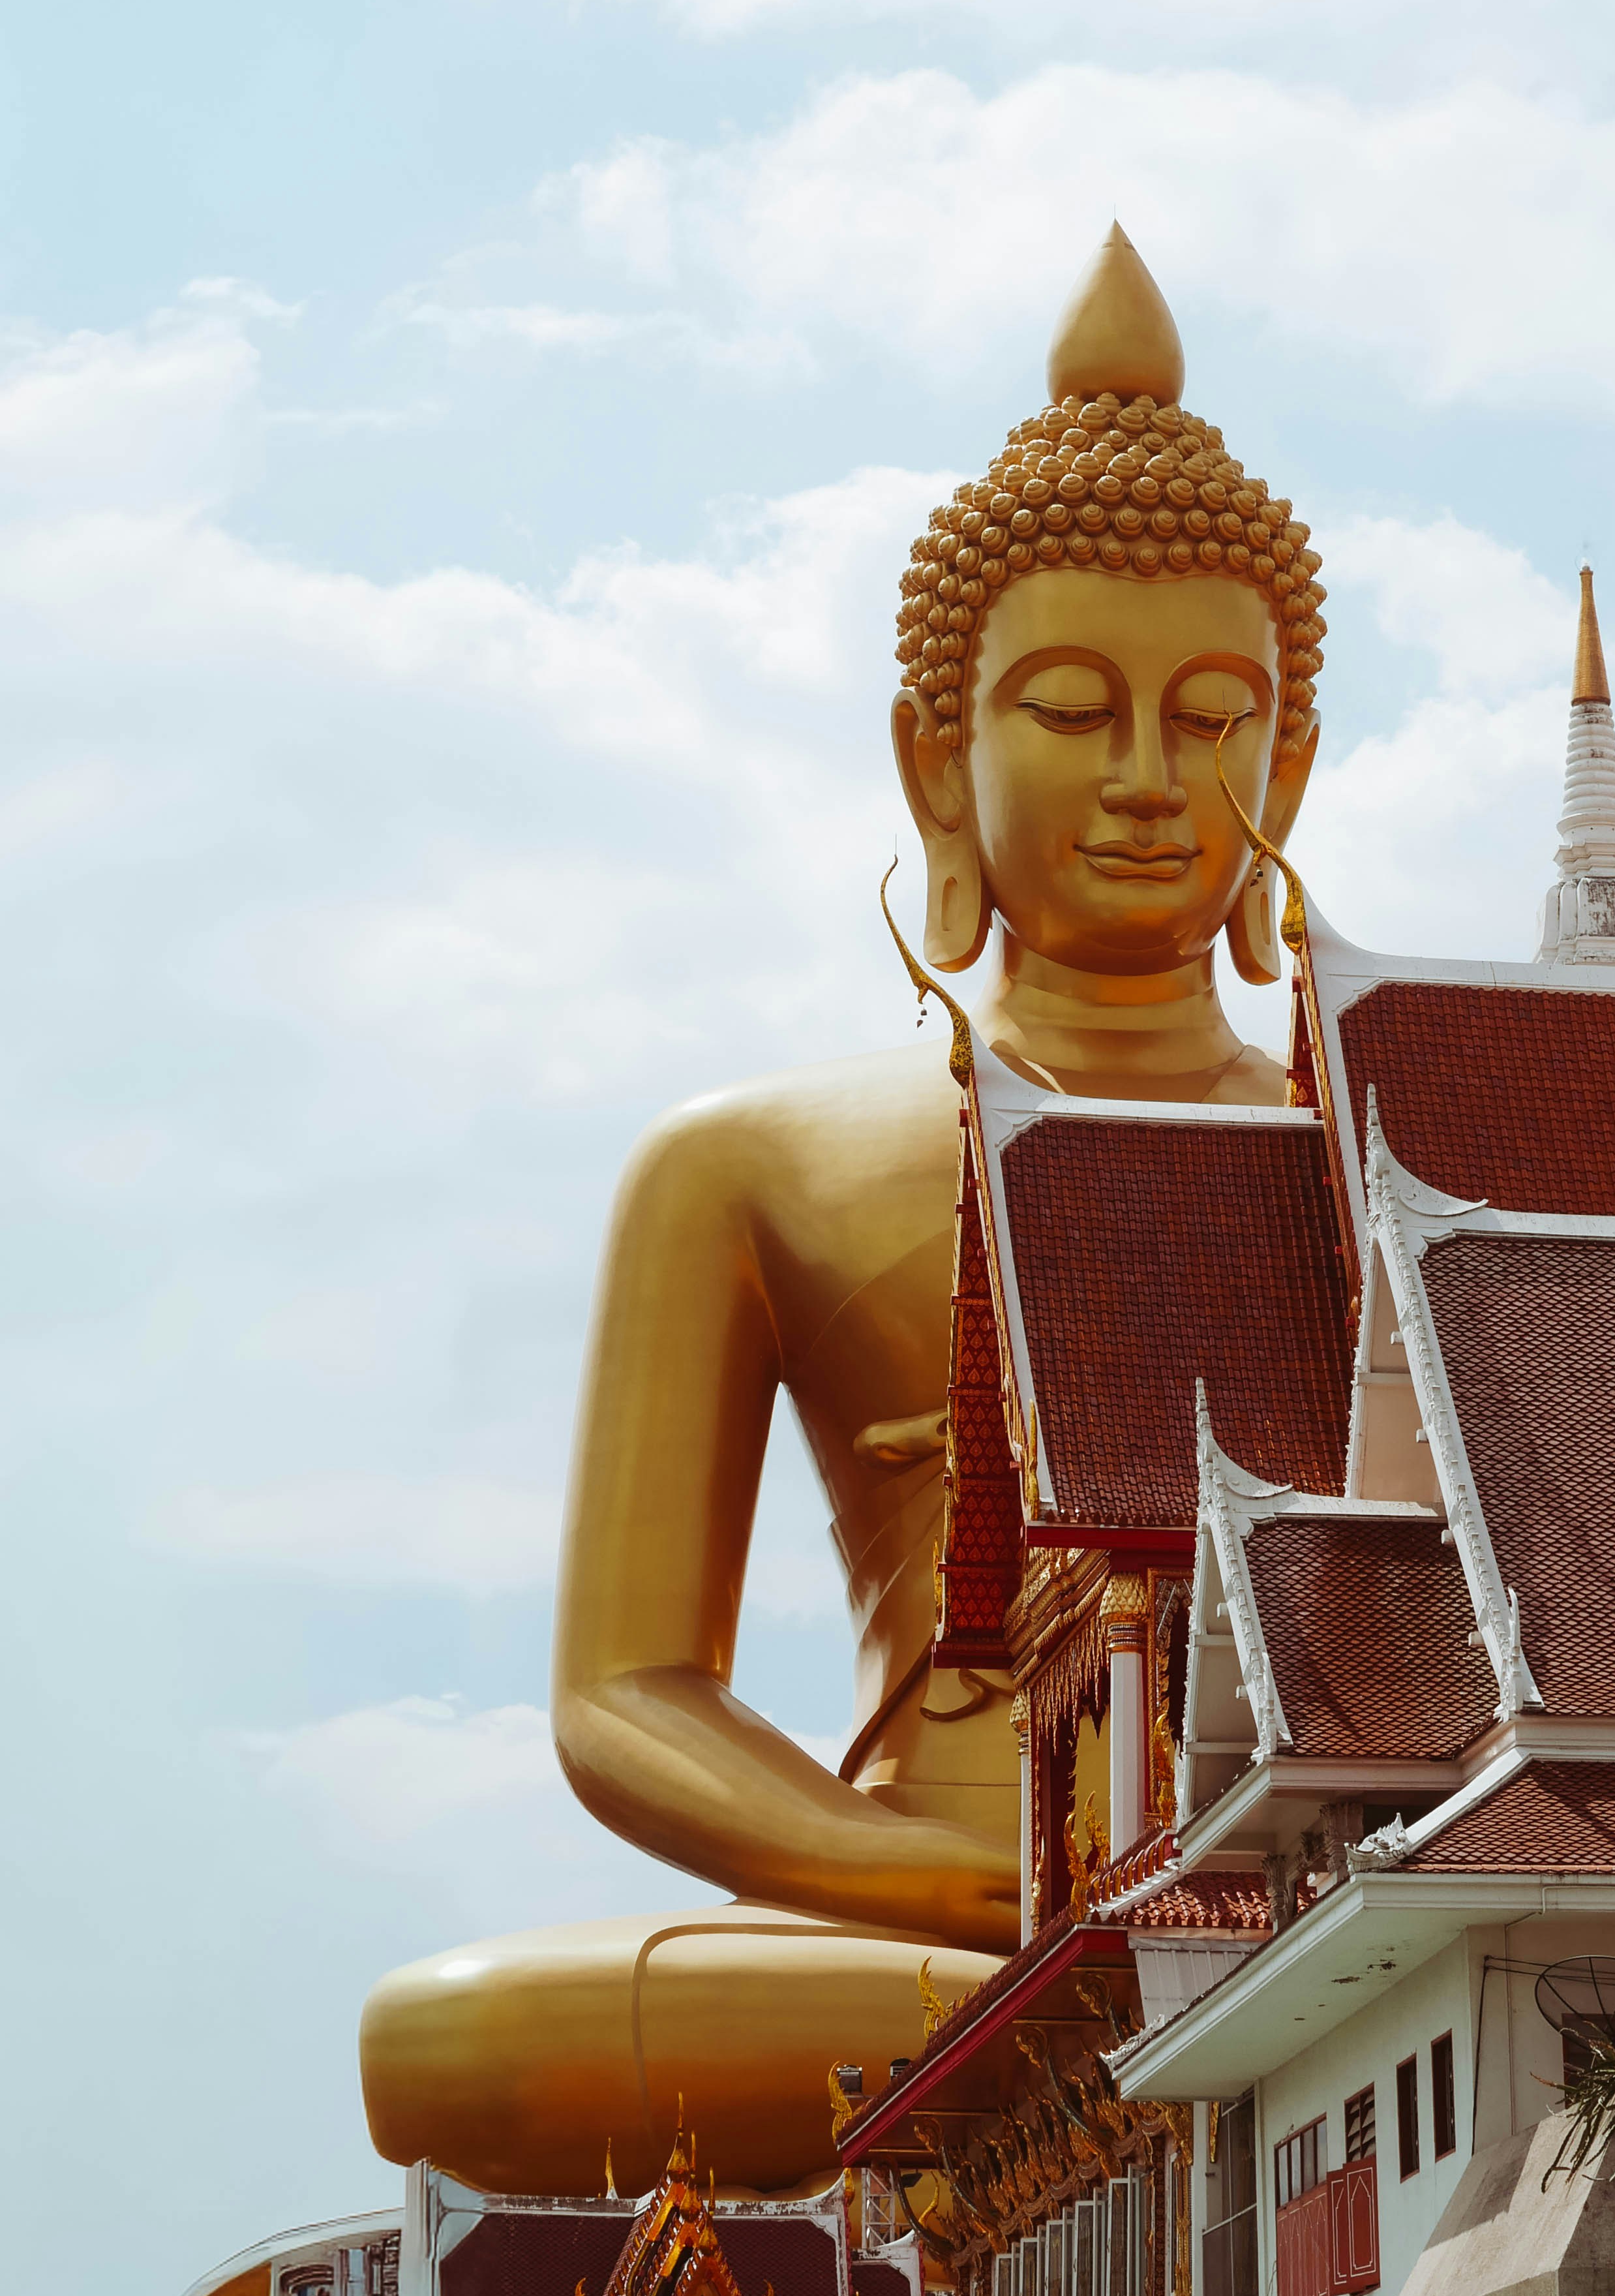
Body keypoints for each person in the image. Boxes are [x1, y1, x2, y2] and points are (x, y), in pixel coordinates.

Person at [358, 226, 1325, 2195]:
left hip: (1306, 1862)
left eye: (1214, 716)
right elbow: (626, 1698)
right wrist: (963, 1870)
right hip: (937, 1915)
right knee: (458, 2032)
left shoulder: (1367, 1141)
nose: (1150, 779)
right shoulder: (747, 1164)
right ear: (935, 759)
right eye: (1070, 706)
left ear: (1287, 761)